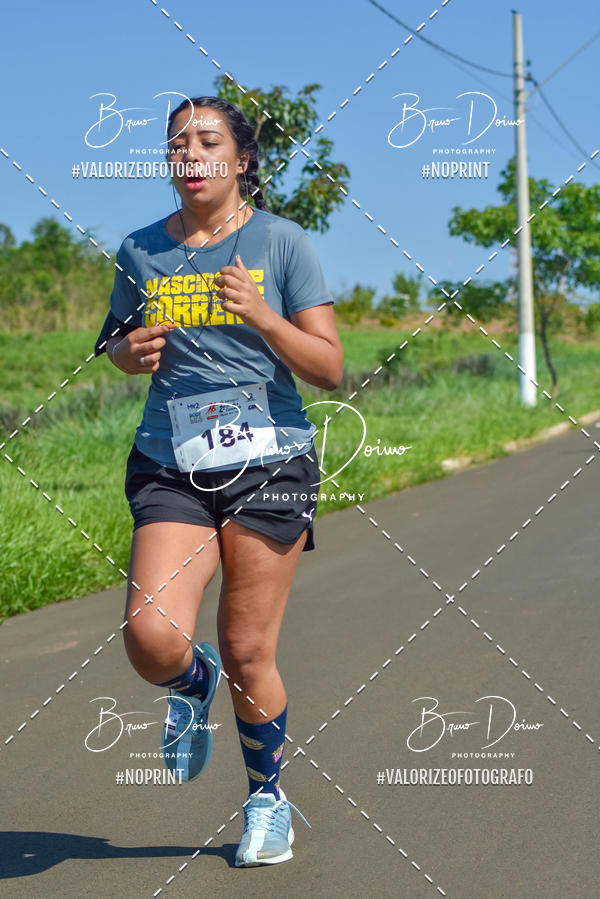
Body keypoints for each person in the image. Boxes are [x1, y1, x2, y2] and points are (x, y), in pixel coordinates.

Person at [93, 95, 343, 866]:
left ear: (240, 161)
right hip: (174, 461)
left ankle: (268, 800)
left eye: (207, 140)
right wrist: (126, 355)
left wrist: (264, 317)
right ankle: (189, 684)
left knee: (245, 645)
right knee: (150, 637)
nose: (190, 152)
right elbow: (115, 342)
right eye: (177, 142)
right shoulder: (140, 251)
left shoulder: (283, 242)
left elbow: (331, 368)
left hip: (270, 461)